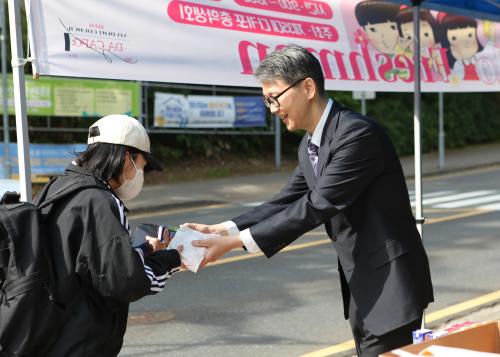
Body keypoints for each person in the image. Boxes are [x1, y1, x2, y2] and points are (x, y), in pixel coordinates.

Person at [186, 45, 434, 357]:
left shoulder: (357, 135)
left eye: (275, 97)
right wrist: (223, 229)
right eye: (267, 100)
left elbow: (316, 205)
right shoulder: (310, 146)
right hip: (363, 282)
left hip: (392, 285)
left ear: (307, 87)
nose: (272, 108)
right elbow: (285, 201)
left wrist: (237, 243)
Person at [34, 115, 182, 356]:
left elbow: (90, 259)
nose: (140, 174)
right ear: (126, 158)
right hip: (80, 341)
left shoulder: (57, 187)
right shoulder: (101, 201)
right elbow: (124, 281)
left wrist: (144, 251)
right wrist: (171, 259)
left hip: (48, 333)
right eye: (142, 166)